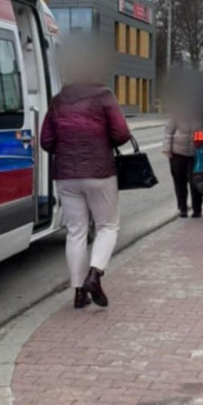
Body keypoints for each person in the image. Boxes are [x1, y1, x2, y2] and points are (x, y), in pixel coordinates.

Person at [40, 58, 132, 309]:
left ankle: (79, 292)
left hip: (66, 175)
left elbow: (46, 141)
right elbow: (122, 134)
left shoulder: (58, 100)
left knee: (76, 231)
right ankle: (95, 273)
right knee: (107, 226)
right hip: (100, 171)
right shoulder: (104, 96)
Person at [163, 103, 203, 218]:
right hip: (177, 153)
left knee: (195, 182)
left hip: (195, 153)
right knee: (180, 182)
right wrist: (167, 149)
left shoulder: (201, 115)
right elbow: (168, 132)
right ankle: (182, 208)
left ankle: (197, 209)